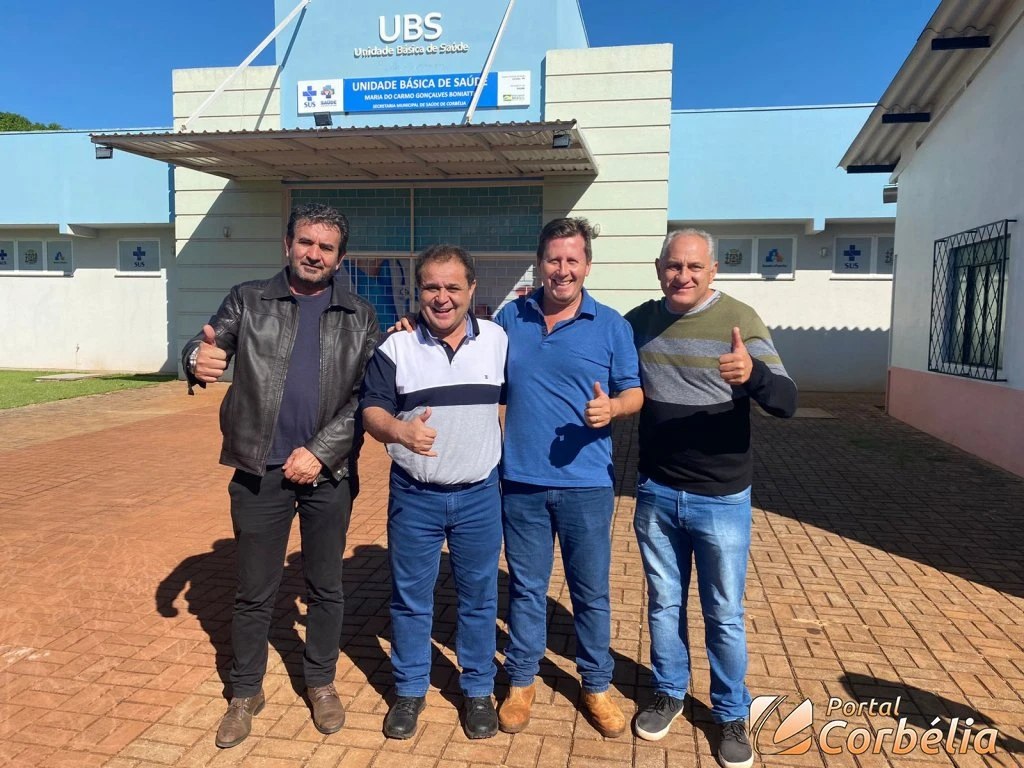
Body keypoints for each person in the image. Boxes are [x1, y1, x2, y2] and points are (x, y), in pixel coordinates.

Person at [181, 202, 380, 749]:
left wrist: (319, 451)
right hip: (258, 469)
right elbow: (207, 343)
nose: (314, 254)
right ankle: (245, 691)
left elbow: (369, 396)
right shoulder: (248, 300)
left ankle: (320, 681)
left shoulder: (360, 315)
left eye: (326, 247)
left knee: (325, 587)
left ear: (340, 257)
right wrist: (195, 360)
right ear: (287, 244)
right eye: (306, 242)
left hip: (328, 472)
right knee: (253, 591)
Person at [624, 229, 797, 768]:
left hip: (721, 499)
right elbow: (588, 353)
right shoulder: (639, 322)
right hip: (656, 491)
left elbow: (787, 401)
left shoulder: (739, 319)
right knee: (663, 603)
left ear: (713, 270)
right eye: (674, 266)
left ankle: (730, 713)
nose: (684, 276)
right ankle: (669, 691)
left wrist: (754, 375)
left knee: (723, 613)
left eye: (694, 267)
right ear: (659, 269)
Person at [495, 217, 643, 738]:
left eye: (572, 260)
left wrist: (614, 409)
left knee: (591, 591)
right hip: (522, 482)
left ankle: (596, 685)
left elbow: (634, 391)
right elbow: (467, 351)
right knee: (527, 588)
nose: (562, 270)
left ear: (587, 265)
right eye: (553, 259)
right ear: (540, 263)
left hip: (587, 484)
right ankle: (521, 681)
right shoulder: (510, 317)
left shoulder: (612, 325)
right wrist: (410, 327)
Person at [360, 245, 507, 740]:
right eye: (431, 287)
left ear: (471, 289)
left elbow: (515, 398)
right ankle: (409, 690)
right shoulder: (396, 347)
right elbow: (372, 411)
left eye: (452, 287)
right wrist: (398, 432)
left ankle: (478, 690)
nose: (442, 298)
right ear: (418, 290)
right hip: (415, 496)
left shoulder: (498, 341)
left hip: (479, 495)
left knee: (479, 599)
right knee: (410, 600)